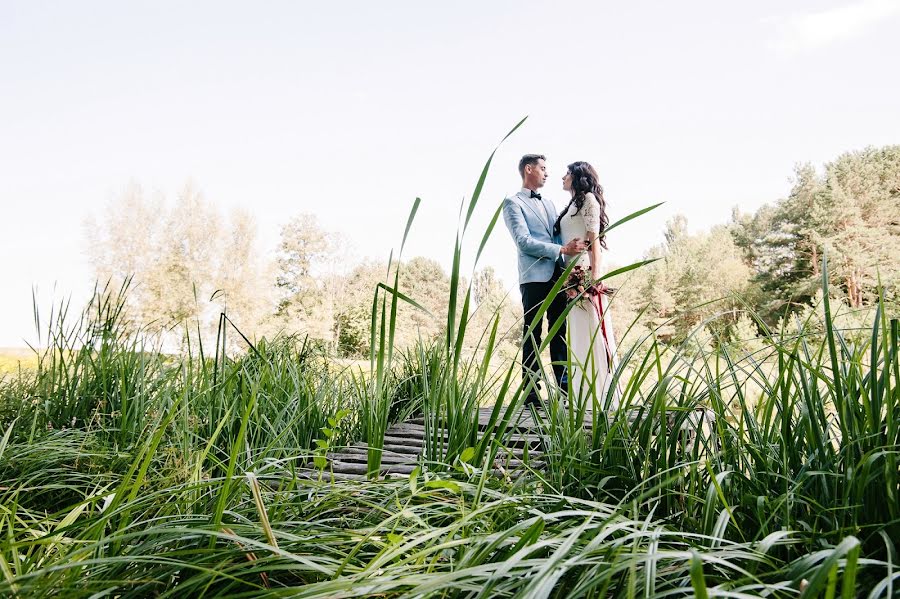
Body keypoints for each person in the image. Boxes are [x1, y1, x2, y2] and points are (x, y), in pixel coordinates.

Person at [502, 154, 586, 406]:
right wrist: (560, 251)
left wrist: (571, 264)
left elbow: (560, 236)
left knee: (559, 333)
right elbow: (523, 241)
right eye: (543, 168)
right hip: (534, 278)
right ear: (529, 169)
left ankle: (563, 391)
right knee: (533, 334)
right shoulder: (512, 203)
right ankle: (531, 393)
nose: (547, 173)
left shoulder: (550, 204)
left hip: (559, 275)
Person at [553, 161, 620, 410]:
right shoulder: (572, 204)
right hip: (568, 275)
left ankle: (601, 395)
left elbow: (595, 244)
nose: (562, 177)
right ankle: (582, 393)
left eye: (567, 173)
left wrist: (594, 280)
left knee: (590, 330)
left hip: (583, 274)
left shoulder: (589, 200)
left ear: (578, 176)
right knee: (577, 333)